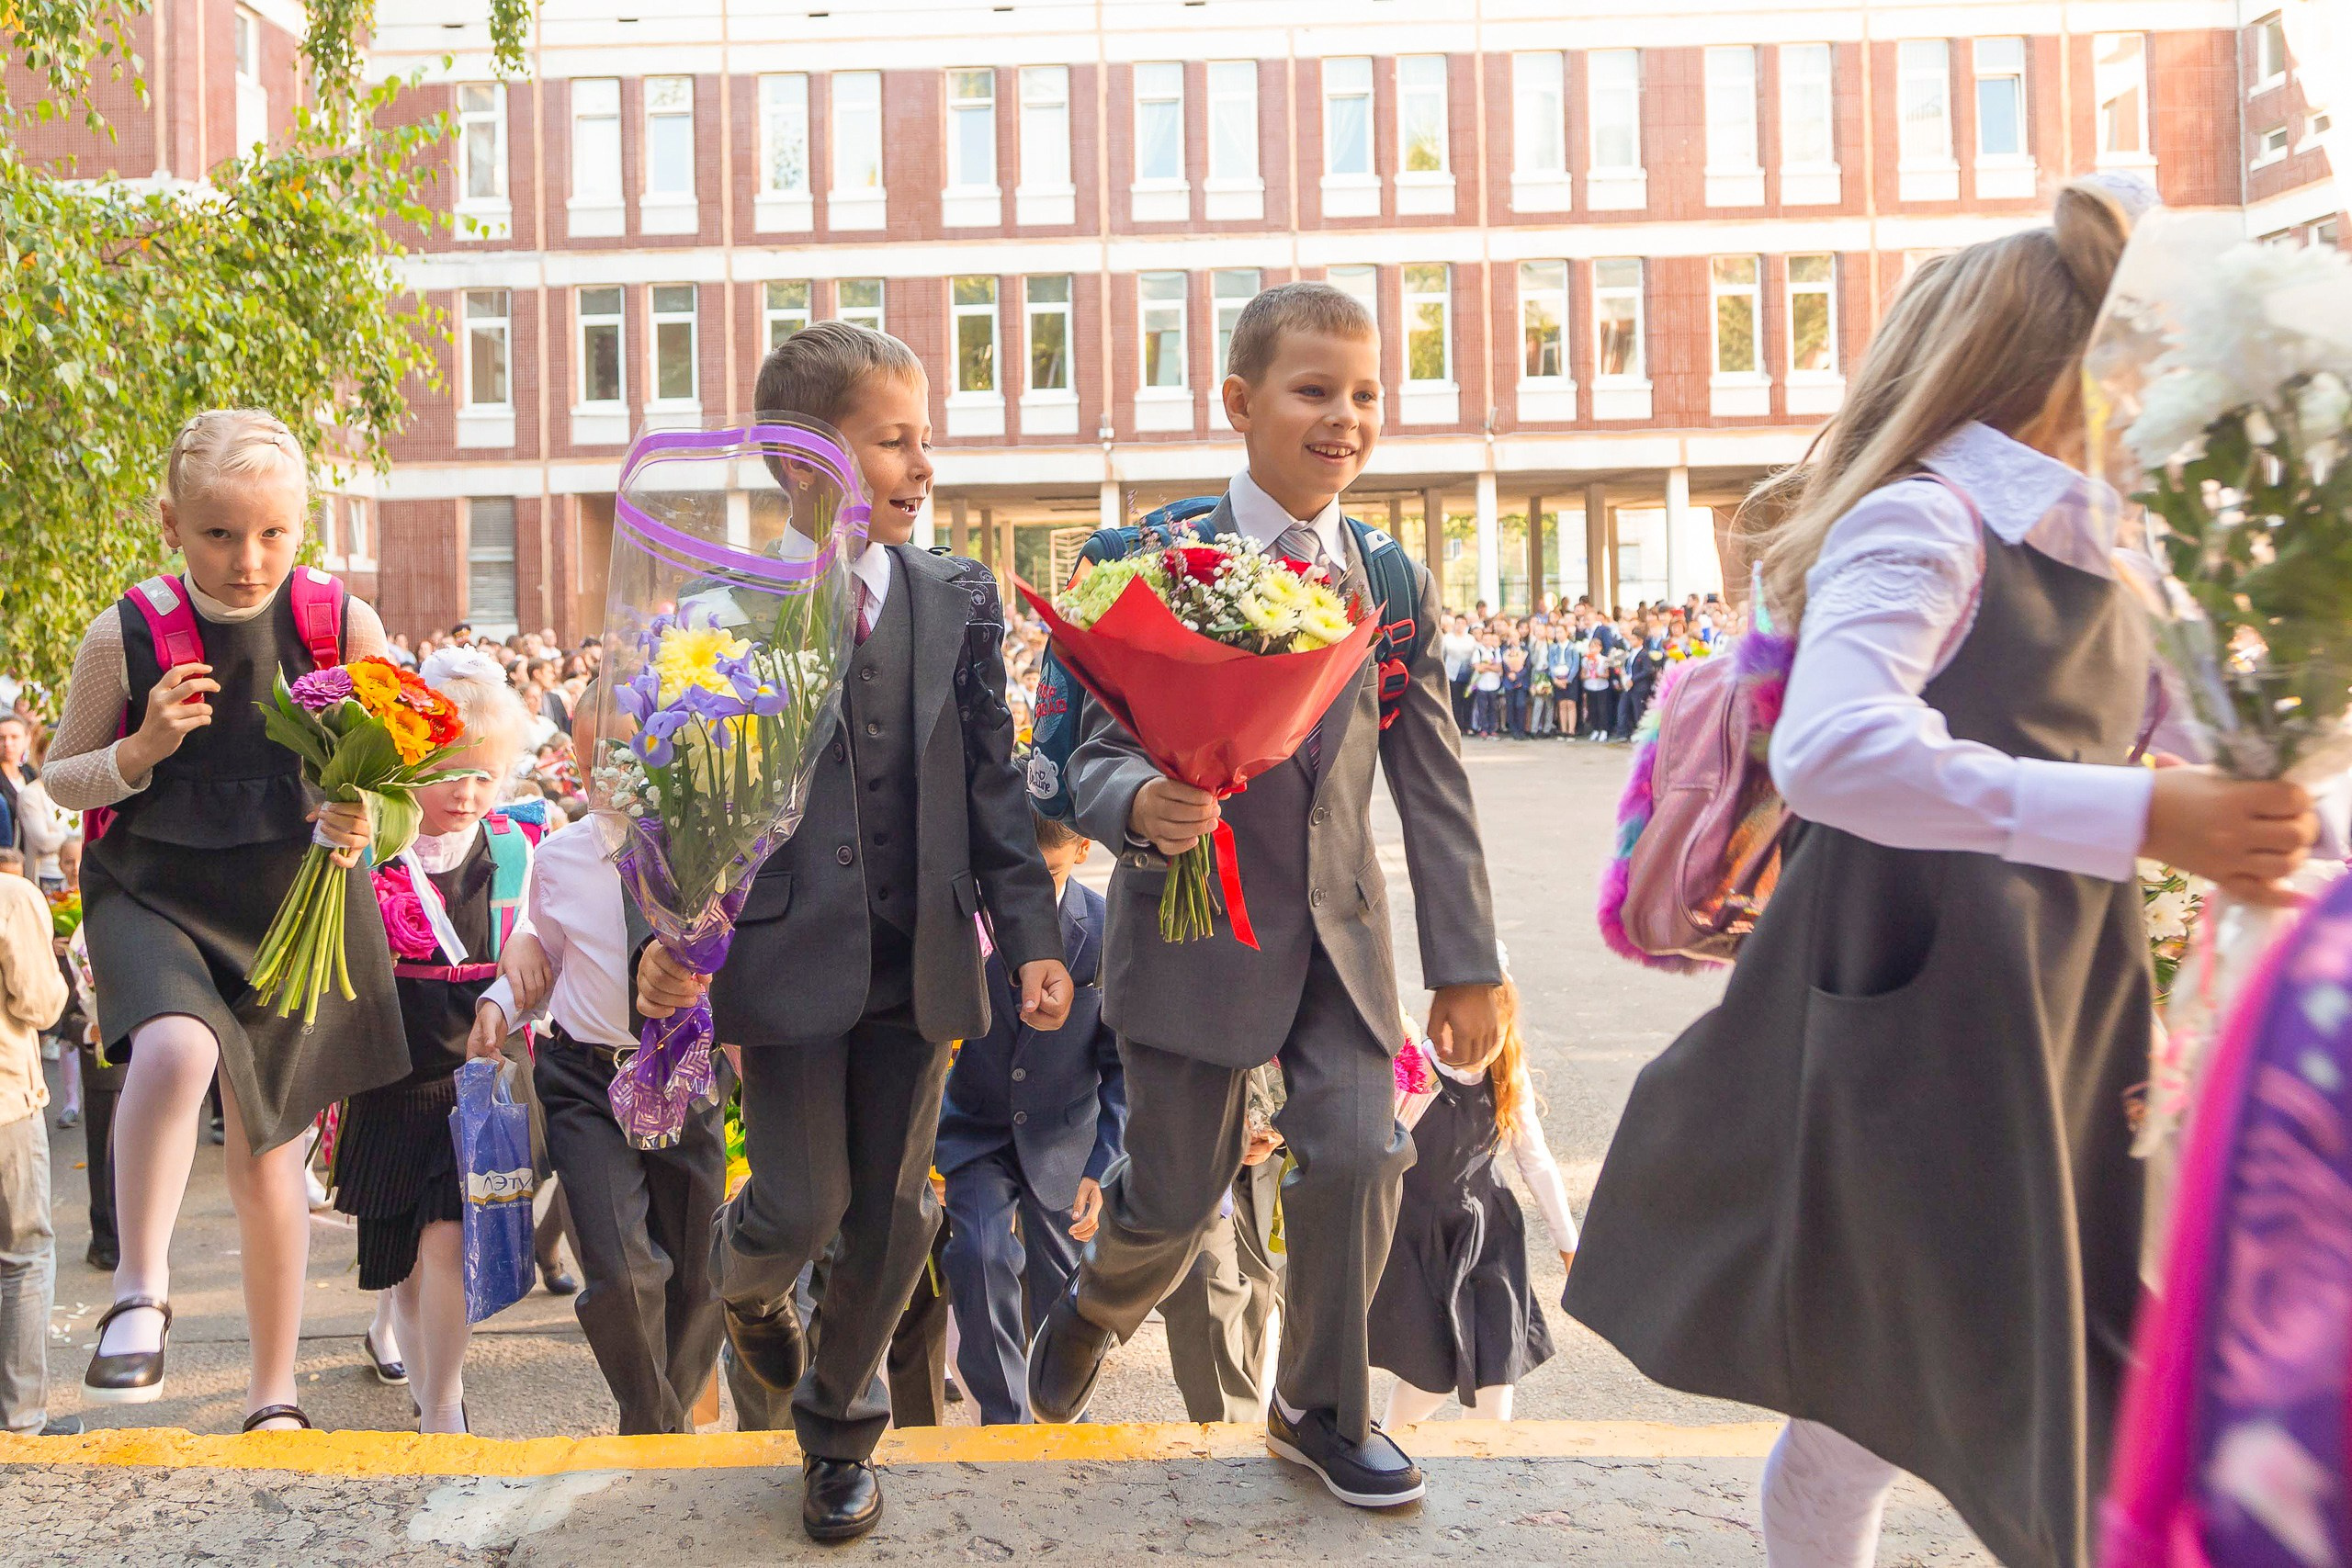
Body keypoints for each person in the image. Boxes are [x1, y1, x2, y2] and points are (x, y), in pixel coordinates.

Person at [1564, 181, 2324, 1568]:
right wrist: (2142, 815)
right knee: (1947, 1375)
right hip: (1914, 1003)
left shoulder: (2114, 545)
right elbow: (1836, 749)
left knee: (1907, 1380)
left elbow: (2202, 743)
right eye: (2146, 360)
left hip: (2059, 998)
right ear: (2065, 369)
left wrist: (2287, 806)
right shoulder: (1926, 521)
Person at [1029, 281, 1503, 1510]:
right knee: (1172, 1203)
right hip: (1190, 932)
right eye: (1313, 391)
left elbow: (1433, 782)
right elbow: (1072, 751)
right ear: (1240, 402)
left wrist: (1468, 961)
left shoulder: (1389, 579)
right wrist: (1136, 800)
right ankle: (1098, 1304)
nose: (1345, 417)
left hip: (1340, 938)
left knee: (1361, 1152)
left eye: (1365, 394)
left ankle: (1315, 1409)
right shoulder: (1142, 558)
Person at [638, 321, 1070, 1543]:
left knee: (894, 1212)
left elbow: (992, 787)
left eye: (925, 439)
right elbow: (668, 799)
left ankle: (837, 1432)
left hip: (920, 956)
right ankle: (748, 1277)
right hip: (783, 962)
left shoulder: (956, 595)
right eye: (893, 441)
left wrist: (1031, 936)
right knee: (801, 1202)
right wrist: (665, 936)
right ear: (802, 460)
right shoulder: (722, 607)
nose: (922, 464)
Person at [48, 410, 404, 1432]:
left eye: (271, 534)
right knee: (173, 1050)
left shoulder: (344, 625)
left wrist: (367, 822)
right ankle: (139, 1292)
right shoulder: (123, 632)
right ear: (171, 522)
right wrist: (139, 749)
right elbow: (62, 776)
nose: (247, 561)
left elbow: (403, 793)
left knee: (268, 1154)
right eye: (218, 534)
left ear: (302, 526)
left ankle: (272, 1392)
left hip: (292, 907)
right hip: (154, 892)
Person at [471, 682, 727, 1437]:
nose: (605, 780)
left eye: (623, 758)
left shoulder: (713, 848)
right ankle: (654, 1429)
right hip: (587, 1079)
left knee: (701, 1274)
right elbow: (542, 956)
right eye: (588, 765)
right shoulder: (559, 858)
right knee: (619, 1273)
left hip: (684, 1073)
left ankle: (664, 1419)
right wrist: (499, 1000)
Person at [331, 648, 542, 1436]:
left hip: (478, 1078)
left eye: (484, 775)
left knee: (452, 1241)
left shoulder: (516, 850)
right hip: (390, 1077)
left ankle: (444, 1406)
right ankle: (425, 1385)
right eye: (447, 771)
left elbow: (536, 957)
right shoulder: (366, 850)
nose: (466, 792)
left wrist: (508, 1000)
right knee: (408, 1264)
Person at [936, 809, 1125, 1427]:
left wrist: (1104, 1164)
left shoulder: (1104, 928)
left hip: (1066, 1141)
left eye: (1048, 871)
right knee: (978, 1256)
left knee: (1062, 1292)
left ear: (1083, 850)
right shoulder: (969, 919)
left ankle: (1060, 1416)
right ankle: (1006, 1420)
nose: (1031, 887)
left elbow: (1121, 1065)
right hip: (977, 1131)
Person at [1374, 979, 1573, 1426]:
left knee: (1495, 1377)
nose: (1478, 1051)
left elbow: (1536, 1161)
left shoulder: (1506, 1076)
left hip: (1488, 1238)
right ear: (1442, 1020)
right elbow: (1379, 1154)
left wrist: (1569, 1244)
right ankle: (1387, 1441)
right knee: (1427, 1380)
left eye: (1491, 1038)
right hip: (1421, 1241)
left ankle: (1484, 1462)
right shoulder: (1415, 1070)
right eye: (1464, 1036)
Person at [1158, 1065, 1285, 1424]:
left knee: (1258, 1314)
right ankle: (1229, 1443)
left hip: (1268, 1176)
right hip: (1193, 1167)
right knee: (1208, 1303)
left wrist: (1280, 1130)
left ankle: (1249, 1433)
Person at [0, 847, 70, 1436]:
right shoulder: (11, 897)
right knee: (23, 1255)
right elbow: (41, 1005)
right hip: (5, 1104)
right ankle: (20, 1418)